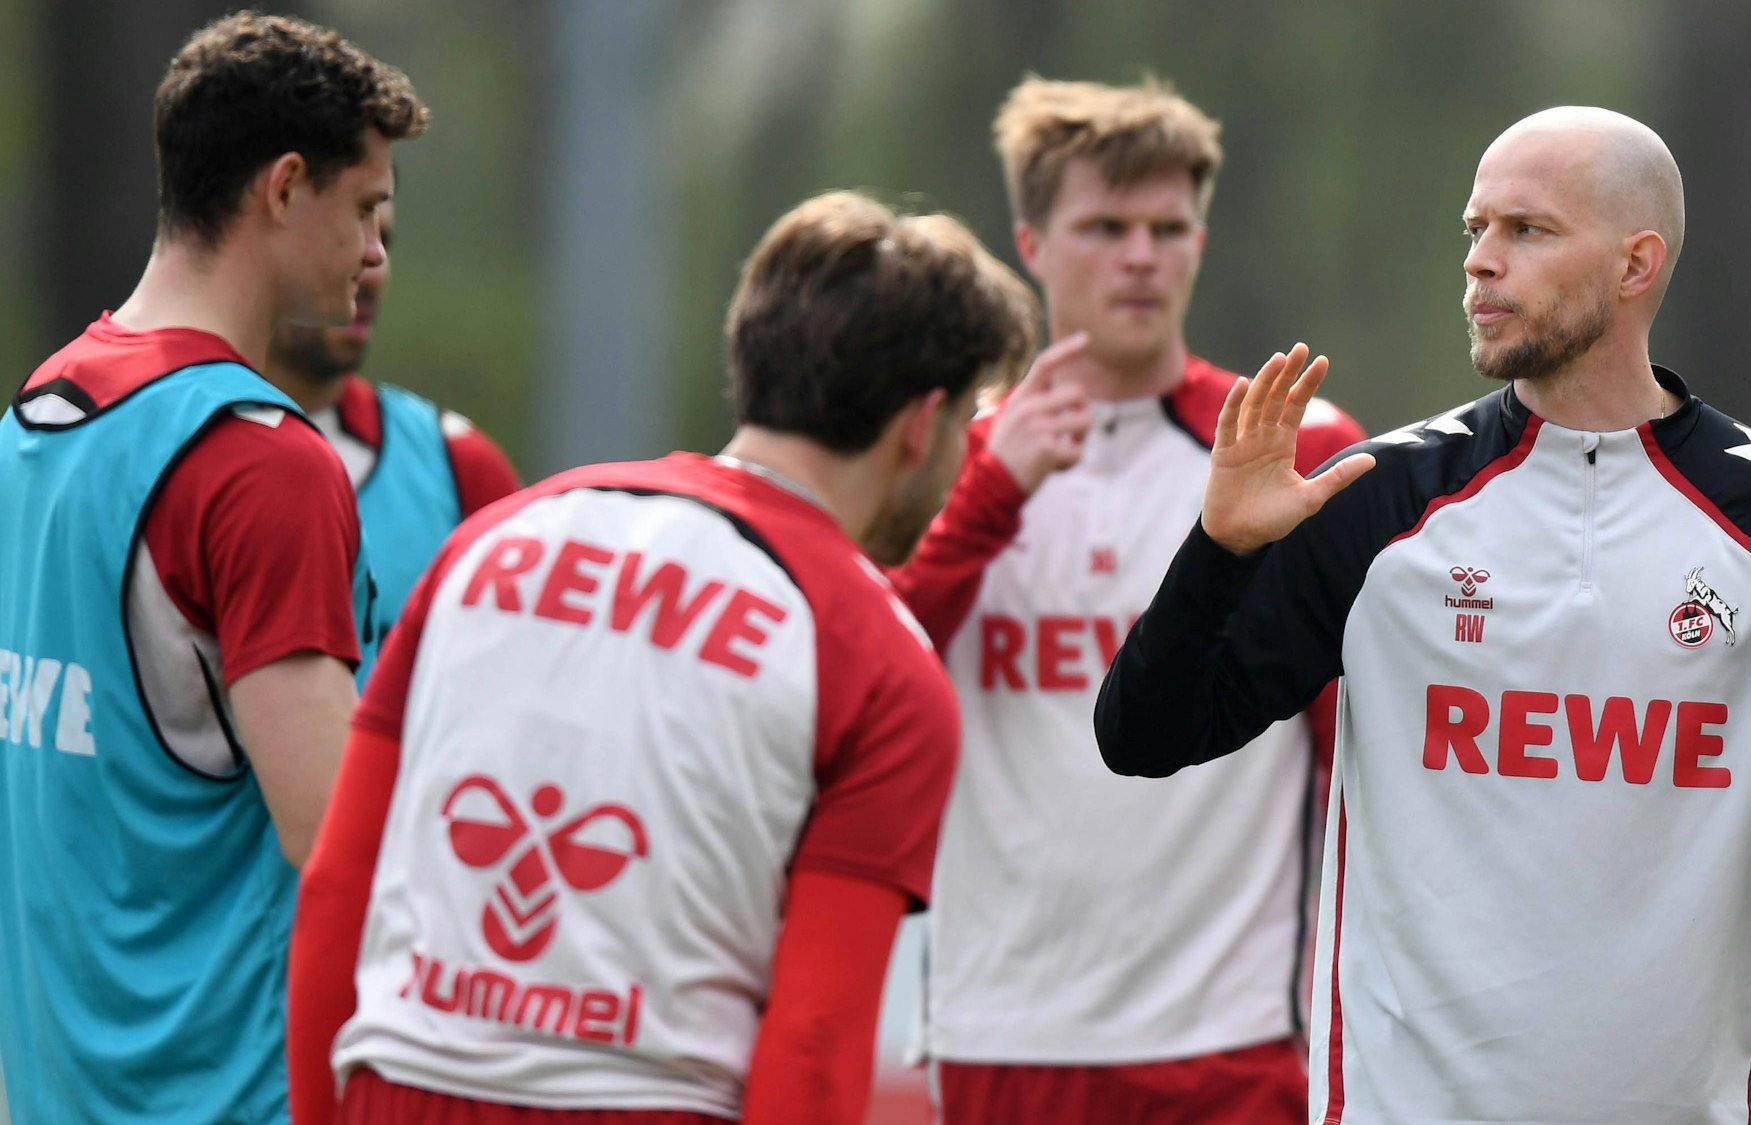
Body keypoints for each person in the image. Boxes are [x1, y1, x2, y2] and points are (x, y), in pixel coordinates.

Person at [1095, 106, 1751, 1125]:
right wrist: (1218, 552)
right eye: (1475, 229)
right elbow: (1141, 738)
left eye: (1526, 230)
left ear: (1635, 264)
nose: (1480, 262)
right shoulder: (1375, 500)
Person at [286, 190, 1041, 1125]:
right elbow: (813, 1047)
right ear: (921, 425)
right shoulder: (880, 658)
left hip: (400, 1092)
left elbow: (336, 889)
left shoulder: (493, 539)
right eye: (968, 421)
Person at [890, 76, 1366, 1122]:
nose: (1141, 256)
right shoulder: (948, 457)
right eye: (1106, 228)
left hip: (1233, 1032)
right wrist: (988, 494)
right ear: (1030, 243)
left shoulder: (1289, 446)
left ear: (1200, 241)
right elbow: (861, 675)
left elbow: (1357, 746)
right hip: (1000, 1026)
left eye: (1168, 227)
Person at [0, 13, 426, 1123]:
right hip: (228, 1094)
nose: (377, 254)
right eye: (365, 209)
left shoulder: (39, 414)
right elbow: (336, 844)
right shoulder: (262, 462)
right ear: (284, 188)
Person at [264, 198, 524, 667]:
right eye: (348, 234)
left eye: (385, 238)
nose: (375, 268)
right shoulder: (163, 444)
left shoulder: (459, 469)